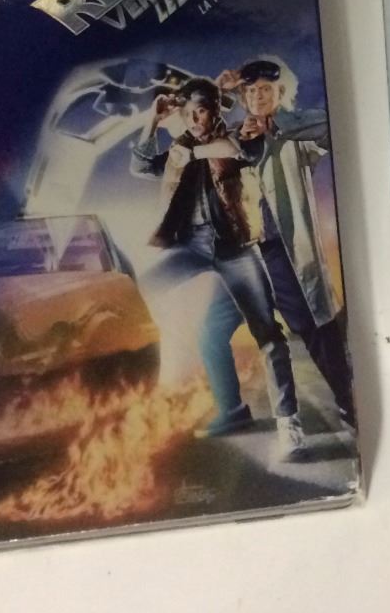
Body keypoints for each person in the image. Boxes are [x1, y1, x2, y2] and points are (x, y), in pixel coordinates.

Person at [116, 72, 306, 458]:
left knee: (267, 333)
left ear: (215, 111)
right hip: (191, 247)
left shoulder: (238, 134)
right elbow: (140, 168)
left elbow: (239, 151)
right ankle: (233, 412)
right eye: (187, 114)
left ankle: (289, 423)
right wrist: (152, 121)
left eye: (201, 111)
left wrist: (194, 153)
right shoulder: (179, 149)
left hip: (236, 247)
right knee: (144, 288)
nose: (194, 120)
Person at [196, 58, 354, 435]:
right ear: (242, 97)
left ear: (280, 94)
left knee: (314, 328)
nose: (258, 96)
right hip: (239, 258)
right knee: (211, 330)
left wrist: (274, 125)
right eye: (250, 91)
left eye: (266, 89)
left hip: (280, 253)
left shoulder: (295, 138)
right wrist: (217, 94)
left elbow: (332, 127)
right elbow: (193, 140)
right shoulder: (230, 138)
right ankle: (234, 411)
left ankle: (349, 403)